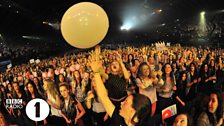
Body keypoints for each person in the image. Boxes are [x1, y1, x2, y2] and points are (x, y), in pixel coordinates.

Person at [88, 46, 158, 126]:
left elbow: (127, 76)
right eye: (113, 64)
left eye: (125, 102)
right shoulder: (109, 76)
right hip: (113, 100)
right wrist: (97, 68)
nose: (122, 103)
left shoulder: (122, 76)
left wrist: (120, 61)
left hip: (121, 97)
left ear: (133, 110)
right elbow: (103, 97)